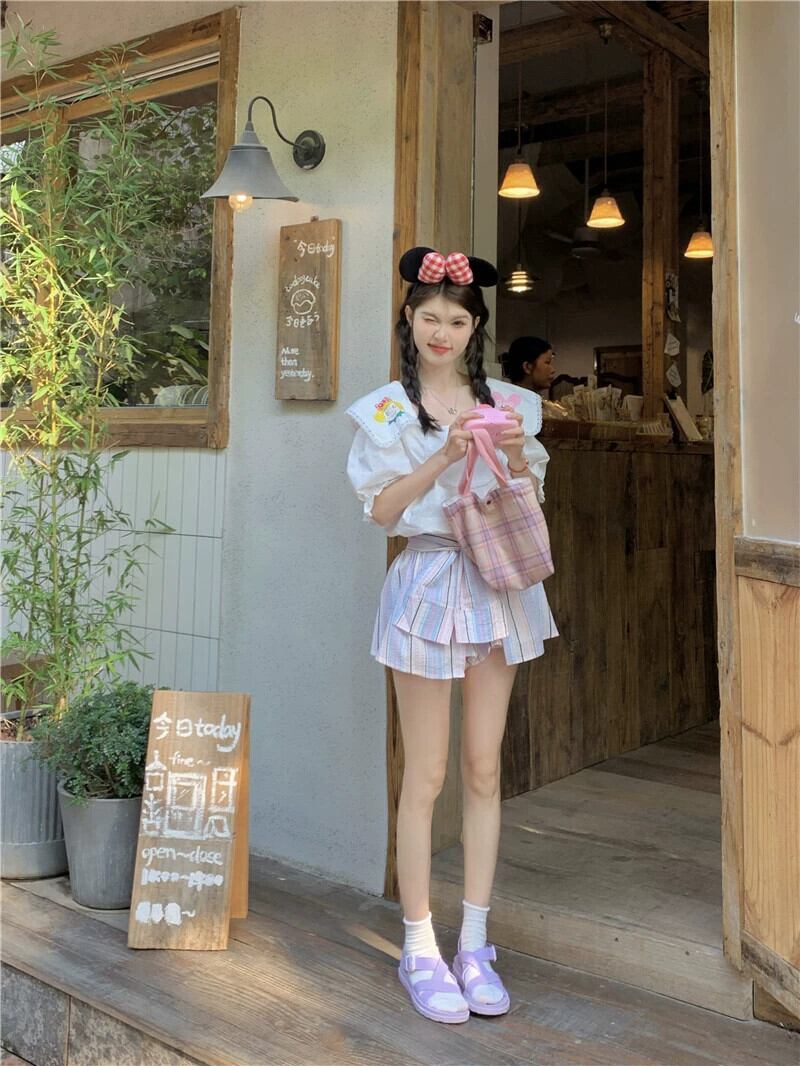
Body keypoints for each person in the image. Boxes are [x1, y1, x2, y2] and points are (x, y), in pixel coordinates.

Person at [345, 248, 559, 1025]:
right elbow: (380, 512)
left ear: (476, 329)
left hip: (498, 584)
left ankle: (474, 943)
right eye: (430, 317)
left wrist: (511, 455)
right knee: (426, 773)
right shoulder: (384, 412)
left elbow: (530, 494)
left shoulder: (511, 402)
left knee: (482, 768)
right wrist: (444, 453)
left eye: (458, 321)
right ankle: (418, 946)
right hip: (427, 582)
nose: (443, 332)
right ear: (409, 319)